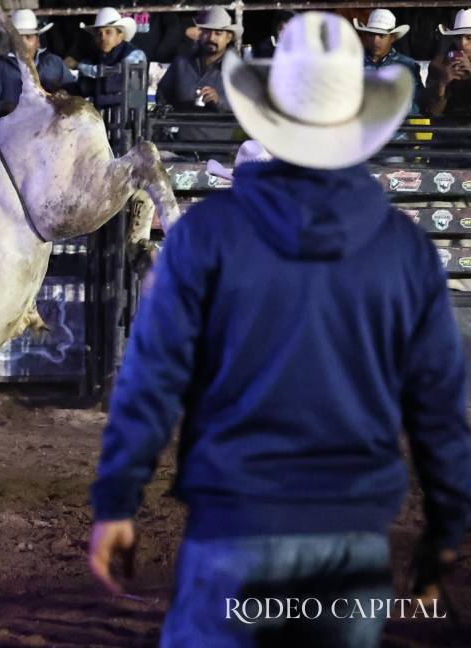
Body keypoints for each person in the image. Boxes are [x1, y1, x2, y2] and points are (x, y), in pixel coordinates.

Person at [89, 11, 471, 646]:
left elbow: (153, 377)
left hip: (236, 518)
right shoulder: (401, 248)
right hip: (350, 533)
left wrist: (117, 500)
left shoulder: (209, 236)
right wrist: (446, 528)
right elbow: (437, 403)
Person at [0, 9, 74, 119]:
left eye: (29, 37)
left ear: (37, 41)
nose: (23, 43)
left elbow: (74, 91)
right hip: (14, 128)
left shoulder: (54, 63)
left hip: (51, 126)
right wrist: (5, 106)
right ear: (11, 40)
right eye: (18, 38)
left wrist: (63, 93)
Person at [156, 7, 238, 113]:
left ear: (229, 37)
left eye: (218, 33)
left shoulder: (237, 69)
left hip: (217, 128)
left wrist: (219, 100)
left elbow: (248, 106)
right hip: (182, 127)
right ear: (200, 34)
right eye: (207, 32)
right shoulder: (181, 62)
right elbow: (162, 95)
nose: (211, 38)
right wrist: (170, 119)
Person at [355, 9, 424, 115]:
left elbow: (415, 107)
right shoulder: (353, 63)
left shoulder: (408, 66)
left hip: (398, 130)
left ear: (392, 38)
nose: (375, 40)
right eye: (371, 35)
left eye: (381, 35)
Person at [76, 7, 145, 110]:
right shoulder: (95, 56)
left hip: (131, 116)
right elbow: (83, 71)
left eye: (108, 32)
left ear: (120, 35)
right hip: (102, 117)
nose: (103, 38)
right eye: (99, 34)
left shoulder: (136, 54)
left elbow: (121, 69)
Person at [424, 8, 471, 118]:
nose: (463, 43)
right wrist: (442, 85)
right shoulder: (438, 64)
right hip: (448, 128)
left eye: (469, 38)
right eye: (458, 37)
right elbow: (432, 112)